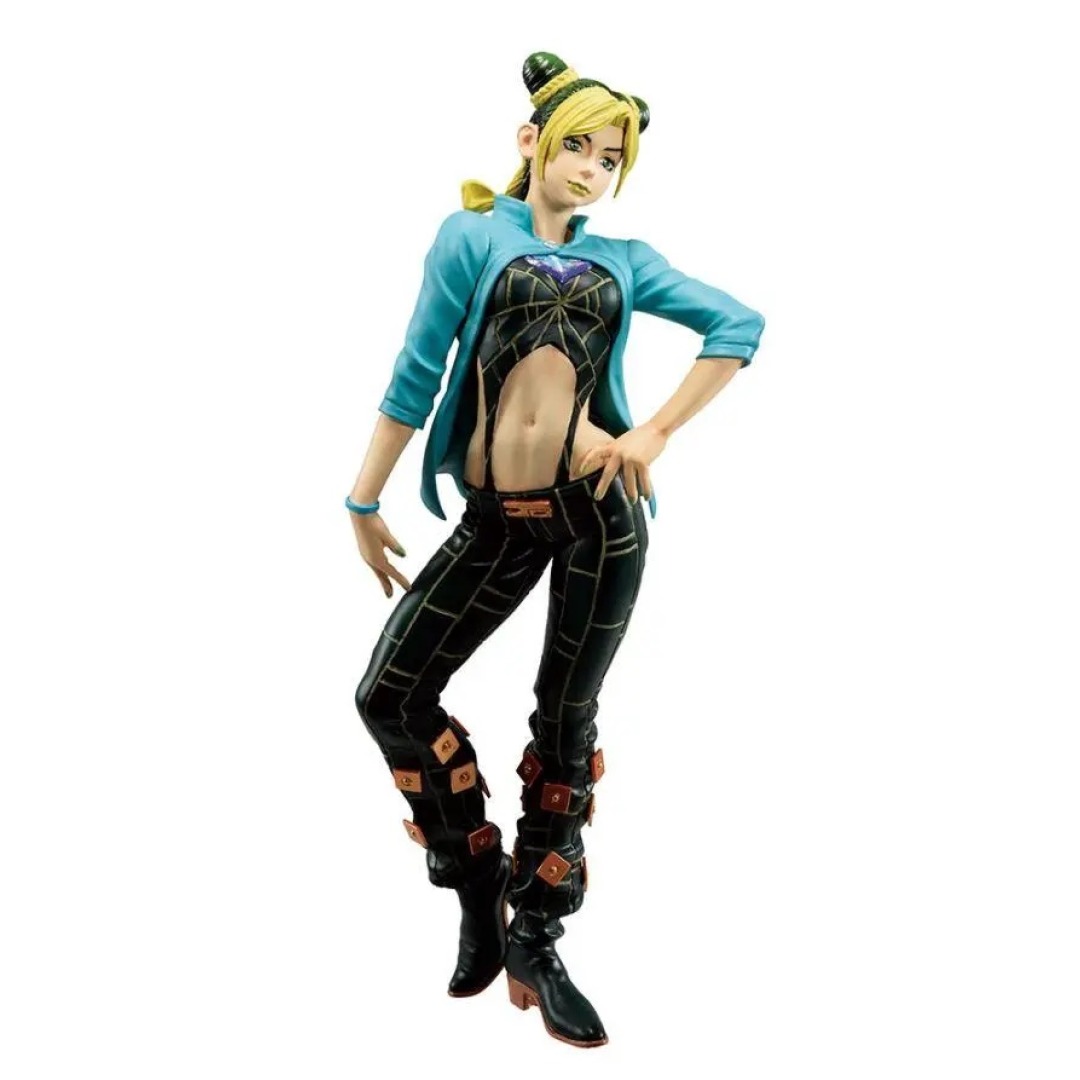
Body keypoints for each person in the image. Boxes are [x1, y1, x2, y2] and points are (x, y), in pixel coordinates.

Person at [348, 51, 765, 1048]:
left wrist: (652, 432)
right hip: (494, 517)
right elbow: (416, 371)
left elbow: (737, 324)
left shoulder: (624, 259)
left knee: (566, 720)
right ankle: (476, 877)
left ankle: (536, 934)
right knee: (390, 695)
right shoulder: (471, 236)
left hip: (597, 514)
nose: (591, 169)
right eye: (577, 146)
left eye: (610, 158)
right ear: (531, 140)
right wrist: (363, 496)